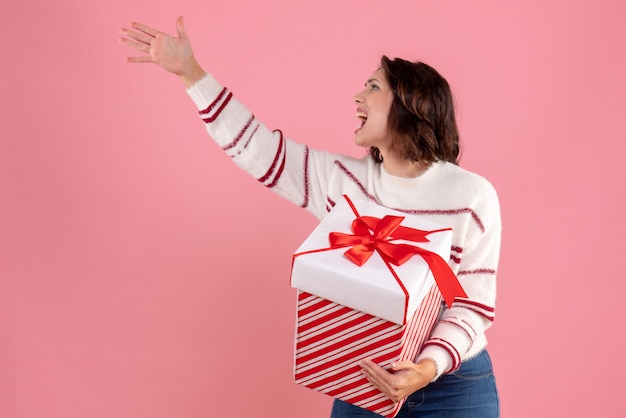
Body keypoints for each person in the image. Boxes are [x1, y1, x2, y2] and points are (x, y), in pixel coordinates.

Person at [120, 16, 501, 418]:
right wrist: (191, 74)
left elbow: (472, 306)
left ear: (412, 104)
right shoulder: (346, 182)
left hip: (453, 386)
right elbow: (260, 150)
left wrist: (427, 368)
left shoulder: (472, 196)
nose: (357, 97)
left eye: (373, 87)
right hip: (365, 375)